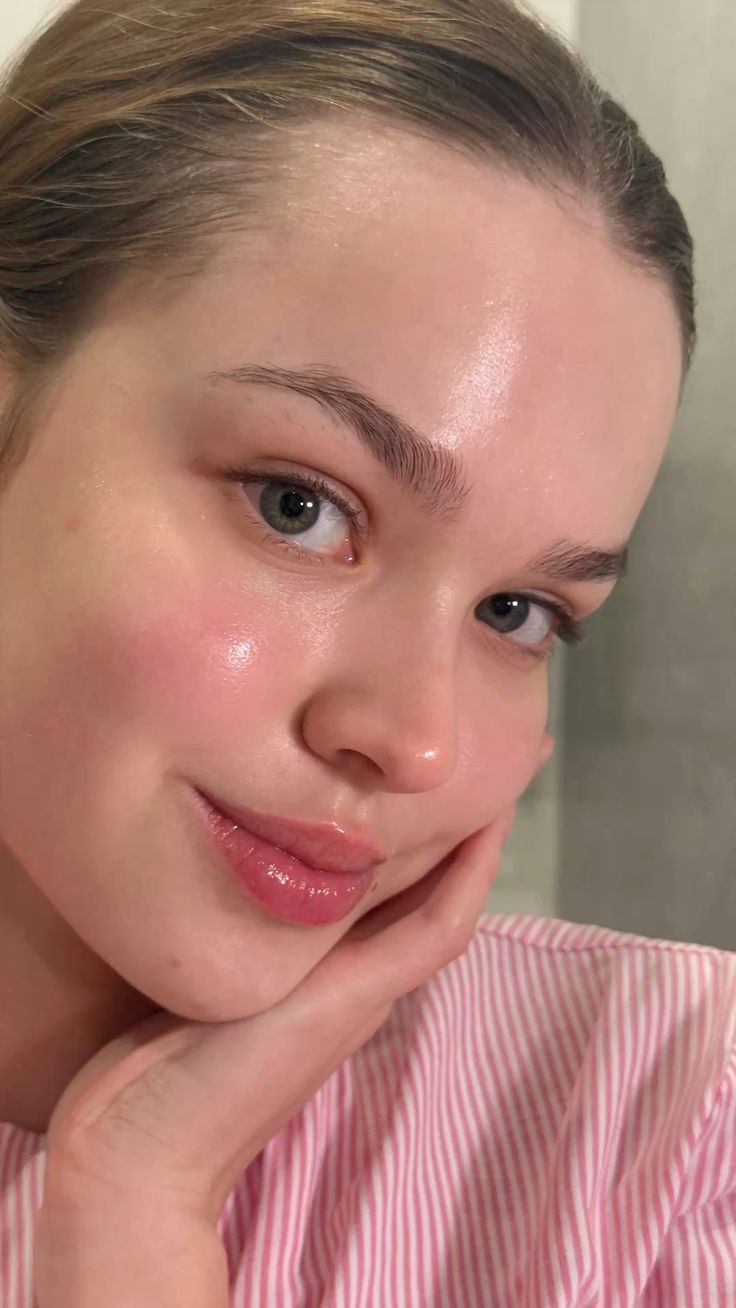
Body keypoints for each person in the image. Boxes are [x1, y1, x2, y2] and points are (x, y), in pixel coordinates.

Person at [0, 0, 733, 1303]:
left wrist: (135, 1221)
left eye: (517, 613)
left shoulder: (679, 1130)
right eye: (302, 506)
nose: (416, 741)